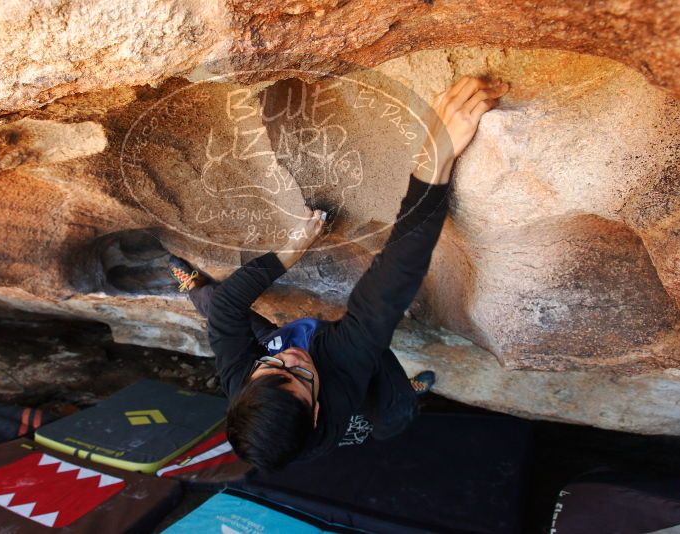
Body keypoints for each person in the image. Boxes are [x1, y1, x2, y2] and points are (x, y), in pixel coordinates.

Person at [168, 77, 510, 471]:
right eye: (296, 374)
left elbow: (231, 309)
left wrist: (289, 253)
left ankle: (194, 286)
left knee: (216, 306)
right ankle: (409, 394)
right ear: (315, 411)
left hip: (280, 359)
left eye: (271, 367)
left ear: (245, 388)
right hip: (354, 383)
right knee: (389, 416)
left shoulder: (248, 384)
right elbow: (386, 290)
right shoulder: (340, 377)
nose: (291, 359)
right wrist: (434, 160)